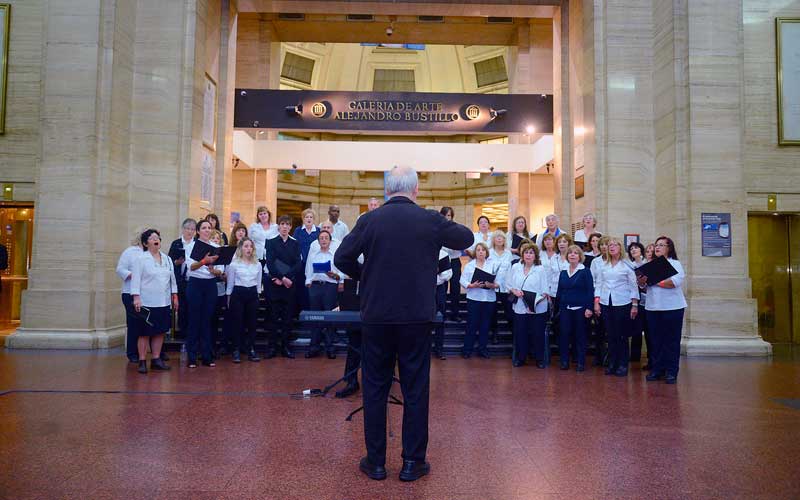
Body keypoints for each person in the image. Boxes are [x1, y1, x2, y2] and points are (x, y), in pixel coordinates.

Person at [334, 165, 473, 482]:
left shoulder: (370, 220)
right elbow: (466, 236)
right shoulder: (429, 219)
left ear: (387, 190)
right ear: (416, 190)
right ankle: (412, 462)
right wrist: (437, 225)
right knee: (415, 389)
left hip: (378, 318)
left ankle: (376, 462)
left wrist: (366, 278)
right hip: (416, 319)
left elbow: (341, 258)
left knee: (374, 388)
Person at [130, 229, 178, 374]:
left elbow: (172, 279)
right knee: (144, 332)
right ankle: (143, 360)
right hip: (146, 302)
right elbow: (135, 279)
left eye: (157, 237)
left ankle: (156, 359)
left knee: (160, 331)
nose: (156, 239)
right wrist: (136, 297)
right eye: (152, 238)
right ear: (146, 243)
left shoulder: (167, 258)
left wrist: (175, 295)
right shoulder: (140, 259)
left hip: (163, 301)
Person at [640, 236, 687, 384]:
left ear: (669, 248)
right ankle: (657, 370)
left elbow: (674, 282)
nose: (657, 247)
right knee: (655, 341)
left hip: (673, 307)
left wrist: (654, 280)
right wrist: (642, 282)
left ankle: (671, 371)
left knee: (671, 341)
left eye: (661, 245)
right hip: (653, 307)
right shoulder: (650, 264)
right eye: (656, 245)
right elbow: (644, 287)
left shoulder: (675, 263)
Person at [593, 237, 639, 377]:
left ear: (620, 248)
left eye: (615, 245)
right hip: (606, 302)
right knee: (611, 335)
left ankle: (622, 364)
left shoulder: (627, 265)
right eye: (609, 245)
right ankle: (612, 363)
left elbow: (633, 285)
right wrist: (596, 302)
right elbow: (599, 284)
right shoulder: (604, 265)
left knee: (621, 335)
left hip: (623, 302)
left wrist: (634, 305)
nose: (611, 247)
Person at [185, 219, 223, 368]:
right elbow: (191, 267)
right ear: (198, 231)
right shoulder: (191, 246)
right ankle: (192, 357)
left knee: (207, 320)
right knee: (194, 320)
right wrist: (204, 261)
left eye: (209, 228)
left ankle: (207, 356)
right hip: (195, 283)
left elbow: (221, 271)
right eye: (204, 228)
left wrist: (214, 270)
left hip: (210, 284)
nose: (207, 230)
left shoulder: (216, 247)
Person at [265, 215, 302, 359]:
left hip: (289, 285)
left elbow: (297, 264)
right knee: (273, 317)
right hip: (275, 284)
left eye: (288, 224)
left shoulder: (295, 243)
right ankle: (272, 347)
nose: (285, 227)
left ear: (291, 227)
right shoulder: (271, 242)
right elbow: (270, 262)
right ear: (278, 226)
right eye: (282, 224)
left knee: (287, 318)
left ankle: (286, 347)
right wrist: (281, 278)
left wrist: (288, 278)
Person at [508, 243, 549, 368]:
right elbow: (508, 284)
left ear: (535, 255)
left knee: (537, 334)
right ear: (522, 254)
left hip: (537, 307)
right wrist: (514, 291)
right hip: (520, 306)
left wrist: (533, 304)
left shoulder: (540, 269)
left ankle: (539, 359)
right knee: (520, 333)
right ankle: (520, 358)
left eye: (531, 253)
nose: (528, 255)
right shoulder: (515, 267)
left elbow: (545, 290)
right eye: (526, 252)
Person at [304, 229, 343, 359]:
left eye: (326, 238)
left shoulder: (334, 255)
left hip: (330, 287)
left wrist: (336, 276)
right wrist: (308, 281)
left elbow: (340, 272)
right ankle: (314, 346)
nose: (324, 240)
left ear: (330, 241)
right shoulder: (314, 254)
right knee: (315, 317)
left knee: (330, 318)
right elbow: (309, 268)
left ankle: (330, 347)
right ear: (318, 241)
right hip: (315, 287)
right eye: (321, 238)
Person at [555, 245, 594, 371]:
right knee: (564, 335)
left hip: (581, 309)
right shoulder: (563, 272)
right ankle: (564, 361)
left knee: (580, 336)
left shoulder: (585, 271)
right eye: (570, 253)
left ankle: (581, 362)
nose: (572, 255)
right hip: (565, 309)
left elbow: (590, 291)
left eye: (575, 253)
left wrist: (589, 308)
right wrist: (557, 309)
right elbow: (560, 291)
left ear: (580, 256)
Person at [459, 242, 501, 359]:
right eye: (478, 250)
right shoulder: (470, 265)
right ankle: (467, 350)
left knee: (485, 325)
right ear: (475, 253)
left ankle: (482, 349)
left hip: (489, 299)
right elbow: (462, 280)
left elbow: (498, 283)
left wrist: (491, 285)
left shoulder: (493, 264)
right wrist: (471, 285)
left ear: (486, 252)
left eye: (483, 250)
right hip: (474, 298)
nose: (481, 252)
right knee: (471, 325)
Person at [225, 237, 263, 363]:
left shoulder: (257, 264)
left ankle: (251, 348)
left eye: (250, 246)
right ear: (241, 248)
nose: (248, 249)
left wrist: (257, 295)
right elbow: (230, 283)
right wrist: (229, 297)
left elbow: (258, 284)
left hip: (252, 294)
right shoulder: (234, 264)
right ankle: (236, 349)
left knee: (252, 323)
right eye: (246, 246)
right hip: (238, 293)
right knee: (237, 323)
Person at [116, 227, 146, 363]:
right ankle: (132, 353)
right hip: (129, 292)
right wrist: (134, 275)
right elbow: (120, 269)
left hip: (146, 294)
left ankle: (143, 352)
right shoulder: (130, 252)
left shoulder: (152, 253)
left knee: (144, 324)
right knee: (133, 323)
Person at [168, 218, 196, 336]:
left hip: (193, 280)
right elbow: (169, 262)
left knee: (192, 309)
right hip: (180, 281)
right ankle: (184, 334)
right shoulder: (176, 243)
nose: (190, 231)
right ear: (183, 229)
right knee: (182, 309)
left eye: (192, 229)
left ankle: (192, 334)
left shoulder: (197, 244)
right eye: (188, 229)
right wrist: (177, 263)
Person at [625, 242, 650, 368]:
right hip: (636, 301)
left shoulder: (648, 263)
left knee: (649, 331)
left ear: (641, 250)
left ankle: (651, 357)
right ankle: (634, 356)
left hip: (649, 300)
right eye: (631, 249)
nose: (634, 250)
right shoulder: (629, 265)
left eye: (636, 248)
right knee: (636, 329)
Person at [489, 230, 515, 344]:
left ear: (505, 240)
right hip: (492, 287)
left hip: (506, 287)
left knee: (509, 312)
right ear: (493, 240)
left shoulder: (508, 253)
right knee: (492, 313)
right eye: (497, 237)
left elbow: (510, 271)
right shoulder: (489, 252)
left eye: (502, 237)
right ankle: (495, 334)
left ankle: (515, 335)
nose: (499, 239)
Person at [440, 207, 463, 322]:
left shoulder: (456, 228)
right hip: (443, 259)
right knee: (442, 288)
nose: (447, 217)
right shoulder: (437, 228)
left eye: (449, 215)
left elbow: (463, 242)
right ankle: (441, 313)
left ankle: (455, 313)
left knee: (455, 288)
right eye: (445, 215)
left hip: (454, 260)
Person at [209, 230, 229, 357]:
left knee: (216, 318)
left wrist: (214, 271)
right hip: (207, 286)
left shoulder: (221, 253)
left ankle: (215, 347)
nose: (216, 240)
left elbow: (221, 271)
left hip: (219, 287)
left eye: (217, 238)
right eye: (213, 238)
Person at [433, 248, 453, 360]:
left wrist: (433, 278)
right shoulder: (421, 250)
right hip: (423, 289)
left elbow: (447, 274)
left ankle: (439, 350)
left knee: (439, 319)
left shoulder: (443, 254)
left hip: (438, 288)